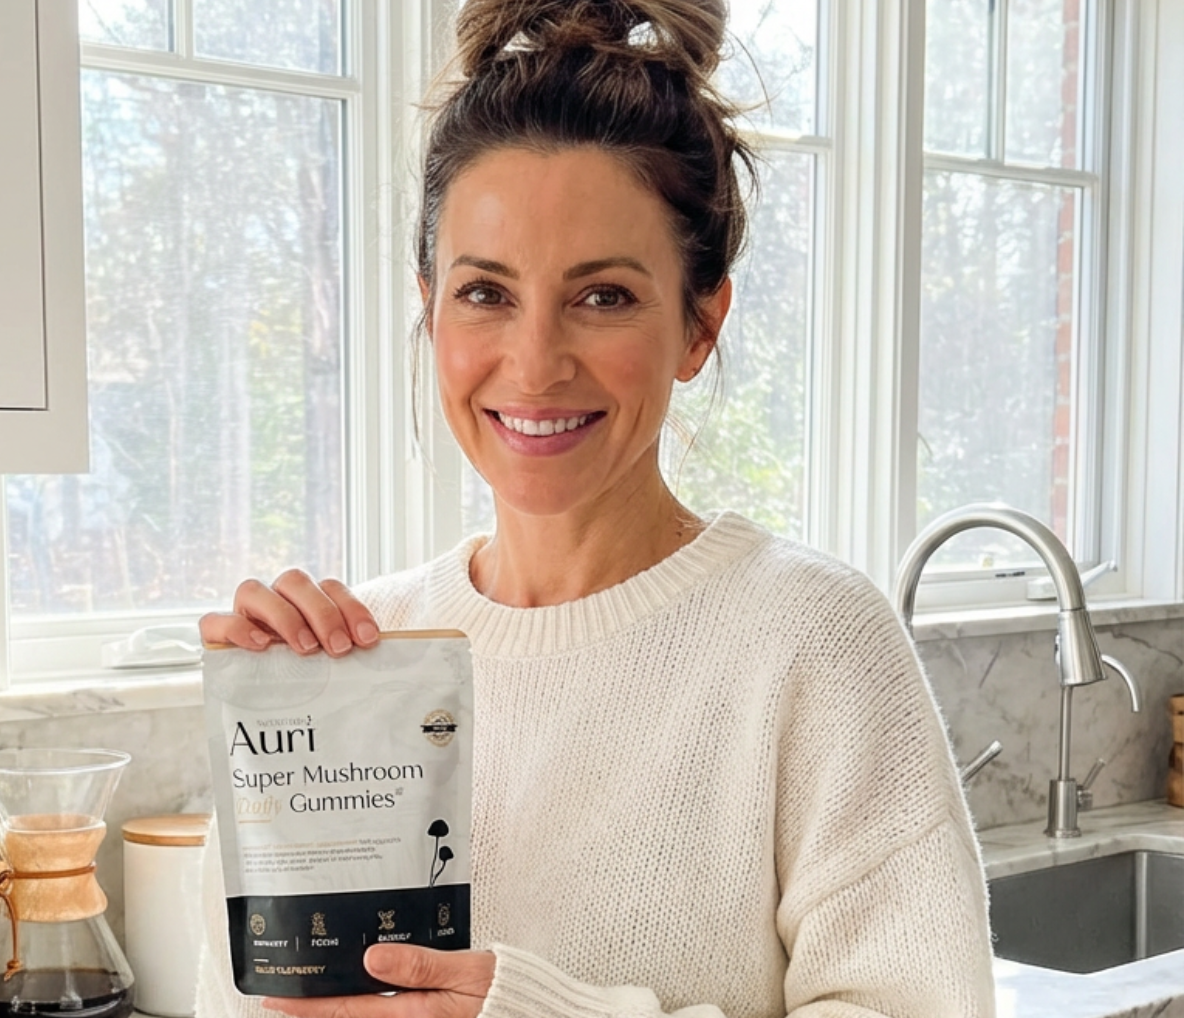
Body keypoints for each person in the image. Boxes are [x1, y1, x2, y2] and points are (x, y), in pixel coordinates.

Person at [197, 1, 997, 1015]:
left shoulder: (813, 643)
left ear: (701, 324)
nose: (535, 364)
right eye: (486, 293)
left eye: (604, 296)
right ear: (430, 307)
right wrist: (264, 771)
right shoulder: (367, 659)